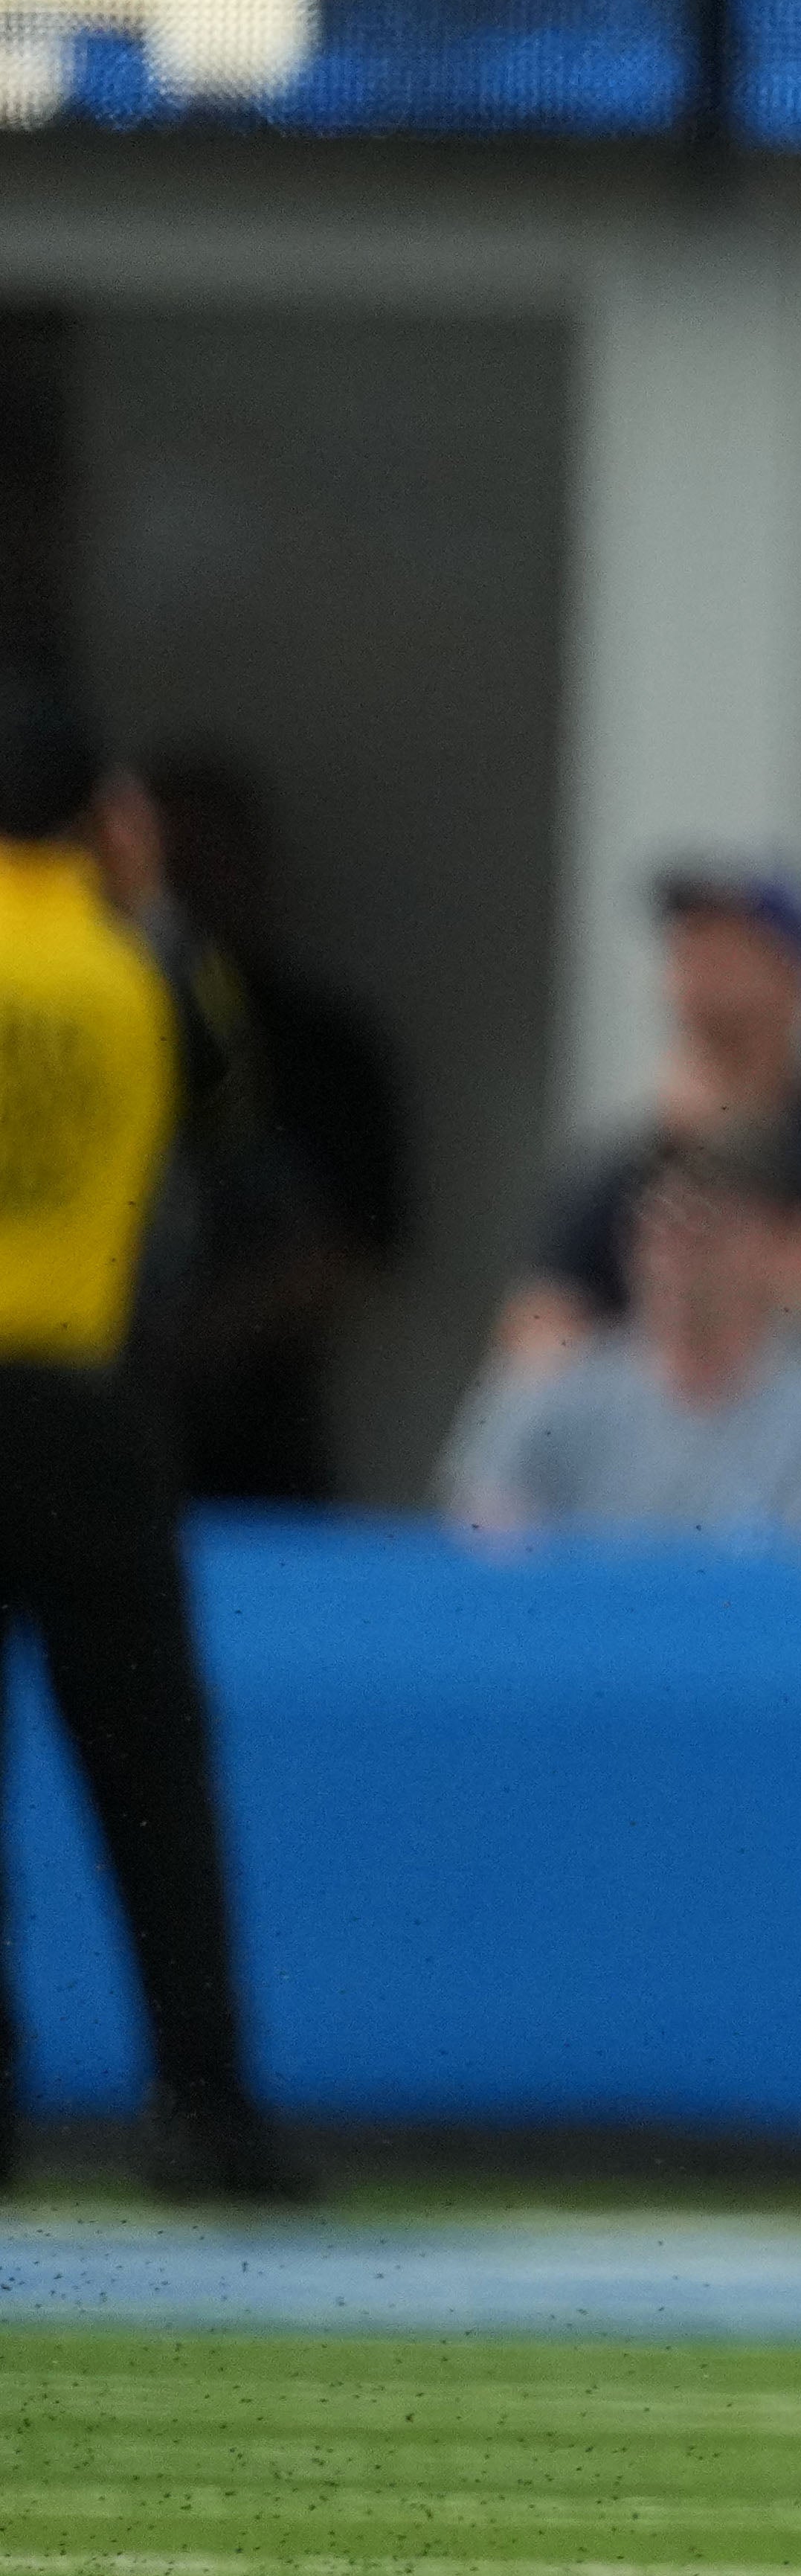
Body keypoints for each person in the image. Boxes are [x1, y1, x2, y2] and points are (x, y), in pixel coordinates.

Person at [0, 684, 306, 2200]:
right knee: (148, 1773)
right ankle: (205, 2104)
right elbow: (236, 1125)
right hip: (83, 1401)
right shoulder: (145, 962)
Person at [497, 858, 801, 1378]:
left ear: (793, 973)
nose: (698, 967)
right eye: (687, 947)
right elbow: (537, 1333)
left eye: (727, 947)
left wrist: (694, 1261)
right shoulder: (621, 1166)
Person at [127, 750, 405, 1509]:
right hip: (99, 1407)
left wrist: (205, 1335)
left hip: (257, 1422)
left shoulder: (320, 1044)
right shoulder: (108, 1018)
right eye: (165, 863)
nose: (182, 890)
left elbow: (353, 1241)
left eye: (204, 859)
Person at [438, 1139, 801, 1538]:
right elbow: (480, 1539)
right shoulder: (552, 1395)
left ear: (765, 1246)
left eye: (708, 1231)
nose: (679, 1254)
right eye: (662, 1226)